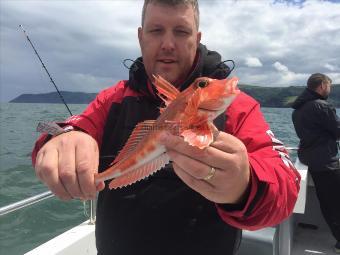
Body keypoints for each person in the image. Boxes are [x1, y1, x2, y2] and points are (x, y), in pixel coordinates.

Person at [32, 1, 300, 254]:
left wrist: (245, 185)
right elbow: (75, 128)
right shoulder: (112, 100)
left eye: (182, 32)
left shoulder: (240, 106)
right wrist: (63, 139)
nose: (168, 44)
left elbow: (285, 188)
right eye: (156, 30)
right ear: (141, 37)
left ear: (197, 38)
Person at [292, 73, 340, 253]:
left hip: (311, 159)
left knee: (327, 202)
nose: (330, 89)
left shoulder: (298, 109)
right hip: (326, 161)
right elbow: (338, 131)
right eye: (329, 85)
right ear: (321, 86)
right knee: (336, 202)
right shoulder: (322, 106)